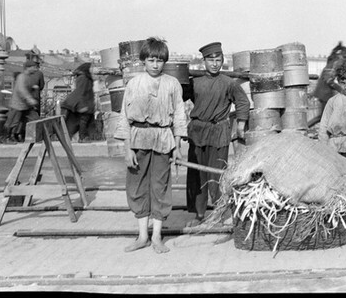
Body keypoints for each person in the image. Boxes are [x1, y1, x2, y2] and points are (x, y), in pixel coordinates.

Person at [113, 37, 187, 254]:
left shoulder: (172, 84)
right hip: (137, 139)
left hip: (163, 139)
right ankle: (142, 236)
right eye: (151, 60)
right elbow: (125, 117)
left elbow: (180, 115)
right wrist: (127, 149)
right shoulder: (134, 84)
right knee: (137, 187)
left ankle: (156, 236)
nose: (155, 65)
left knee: (160, 187)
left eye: (160, 60)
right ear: (143, 60)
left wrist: (178, 145)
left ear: (165, 62)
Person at [185, 41, 250, 227]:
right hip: (197, 132)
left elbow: (243, 102)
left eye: (218, 59)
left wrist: (241, 125)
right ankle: (198, 215)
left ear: (223, 60)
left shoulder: (228, 83)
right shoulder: (195, 82)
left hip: (219, 132)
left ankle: (219, 213)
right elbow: (177, 95)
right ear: (203, 61)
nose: (214, 63)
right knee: (196, 174)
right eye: (210, 59)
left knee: (218, 174)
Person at [5, 61, 41, 143]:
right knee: (13, 122)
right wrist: (30, 99)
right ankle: (8, 137)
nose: (36, 69)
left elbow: (27, 88)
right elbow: (21, 90)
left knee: (33, 119)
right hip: (18, 104)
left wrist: (33, 87)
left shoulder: (29, 77)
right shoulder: (21, 77)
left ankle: (25, 136)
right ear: (28, 68)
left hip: (26, 105)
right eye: (34, 67)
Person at [60, 62, 95, 142]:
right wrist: (81, 106)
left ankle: (80, 137)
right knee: (83, 120)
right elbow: (80, 92)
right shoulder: (83, 78)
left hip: (83, 103)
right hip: (80, 103)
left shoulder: (85, 78)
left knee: (80, 121)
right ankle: (82, 137)